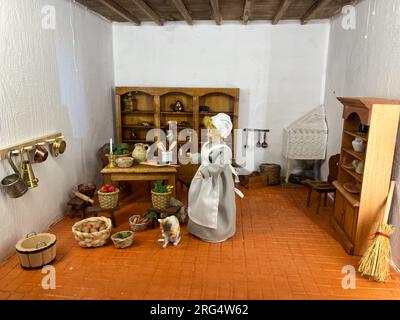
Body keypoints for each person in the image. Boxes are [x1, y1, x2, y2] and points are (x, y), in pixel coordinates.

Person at [187, 113, 243, 243]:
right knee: (200, 202)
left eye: (211, 132)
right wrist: (194, 157)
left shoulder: (224, 150)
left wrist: (205, 172)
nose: (208, 134)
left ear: (221, 133)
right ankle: (198, 229)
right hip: (204, 179)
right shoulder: (209, 145)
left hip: (217, 181)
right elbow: (205, 158)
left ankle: (217, 232)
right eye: (208, 131)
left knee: (216, 204)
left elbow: (219, 165)